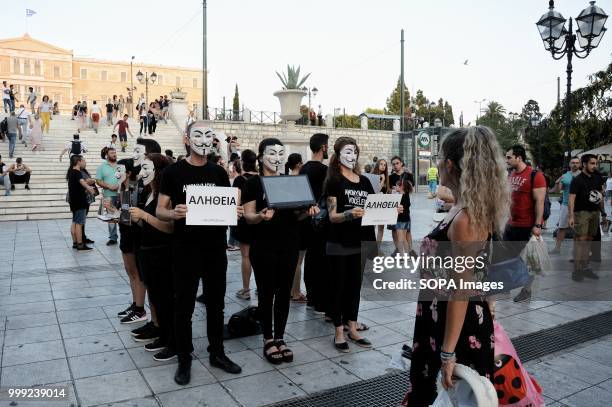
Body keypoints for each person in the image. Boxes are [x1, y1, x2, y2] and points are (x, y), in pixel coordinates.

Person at [402, 126, 508, 406]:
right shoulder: (462, 208)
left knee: (453, 396)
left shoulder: (465, 219)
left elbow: (462, 289)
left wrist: (448, 354)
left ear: (449, 164)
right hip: (441, 316)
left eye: (439, 158)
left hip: (455, 326)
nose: (437, 163)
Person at [156, 122, 243, 384]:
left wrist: (234, 212)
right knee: (183, 305)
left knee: (217, 303)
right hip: (185, 248)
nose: (204, 140)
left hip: (215, 248)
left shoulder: (218, 172)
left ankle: (217, 352)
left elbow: (225, 207)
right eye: (198, 135)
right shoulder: (172, 172)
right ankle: (184, 357)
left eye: (209, 135)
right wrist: (173, 213)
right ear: (187, 138)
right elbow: (160, 209)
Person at [243, 138, 318, 364]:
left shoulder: (290, 182)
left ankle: (280, 337)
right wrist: (261, 216)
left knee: (284, 292)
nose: (276, 158)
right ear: (260, 157)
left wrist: (310, 212)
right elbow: (248, 216)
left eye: (280, 154)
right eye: (272, 153)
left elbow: (298, 215)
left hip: (289, 244)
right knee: (266, 292)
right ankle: (267, 338)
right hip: (263, 246)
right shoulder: (253, 184)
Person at [325, 137, 400, 352]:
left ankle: (352, 326)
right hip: (339, 242)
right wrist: (349, 214)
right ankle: (339, 330)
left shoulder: (365, 181)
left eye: (355, 152)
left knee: (354, 287)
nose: (352, 156)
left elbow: (375, 209)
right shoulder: (334, 181)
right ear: (338, 155)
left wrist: (391, 210)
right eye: (347, 152)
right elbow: (332, 216)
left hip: (361, 242)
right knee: (338, 287)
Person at [129, 153, 177, 361]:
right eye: (141, 168)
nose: (142, 173)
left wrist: (144, 216)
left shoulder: (165, 196)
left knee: (165, 299)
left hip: (162, 253)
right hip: (146, 250)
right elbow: (147, 225)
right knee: (156, 297)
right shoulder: (149, 193)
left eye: (147, 168)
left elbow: (169, 227)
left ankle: (172, 341)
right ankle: (162, 333)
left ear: (159, 171)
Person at [504, 145, 546, 303]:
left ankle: (526, 290)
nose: (506, 160)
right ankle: (506, 285)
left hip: (527, 226)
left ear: (519, 158)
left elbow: (540, 202)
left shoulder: (535, 175)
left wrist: (538, 225)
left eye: (509, 157)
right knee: (506, 257)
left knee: (531, 260)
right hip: (511, 225)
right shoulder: (511, 174)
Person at [299, 133, 330, 313]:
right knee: (321, 261)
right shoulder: (324, 171)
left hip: (305, 219)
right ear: (323, 147)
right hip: (321, 221)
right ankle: (320, 301)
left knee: (310, 260)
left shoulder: (303, 168)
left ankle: (311, 298)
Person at [568, 154, 607, 281]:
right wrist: (570, 216)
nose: (594, 166)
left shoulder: (597, 178)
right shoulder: (577, 180)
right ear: (584, 164)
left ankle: (585, 268)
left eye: (596, 163)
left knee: (588, 242)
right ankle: (577, 271)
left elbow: (601, 196)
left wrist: (603, 213)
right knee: (580, 242)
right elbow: (571, 198)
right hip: (581, 213)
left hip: (594, 213)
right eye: (592, 163)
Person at [233, 149, 258, 300]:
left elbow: (236, 202)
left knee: (246, 256)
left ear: (242, 161)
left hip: (244, 220)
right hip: (259, 219)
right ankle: (261, 286)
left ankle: (246, 289)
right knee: (260, 255)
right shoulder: (262, 178)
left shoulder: (240, 180)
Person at [550, 157, 581, 254]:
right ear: (570, 164)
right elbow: (557, 191)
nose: (575, 164)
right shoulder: (564, 176)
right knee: (562, 227)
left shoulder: (583, 175)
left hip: (580, 206)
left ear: (580, 164)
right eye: (573, 163)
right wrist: (557, 182)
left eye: (577, 163)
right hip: (566, 205)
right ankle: (557, 248)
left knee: (580, 229)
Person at [67, 155, 94, 251]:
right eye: (83, 160)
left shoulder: (70, 172)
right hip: (80, 201)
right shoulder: (77, 172)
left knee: (74, 221)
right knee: (79, 223)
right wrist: (90, 189)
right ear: (78, 162)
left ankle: (75, 242)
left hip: (73, 201)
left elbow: (76, 187)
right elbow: (83, 183)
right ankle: (80, 244)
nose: (84, 162)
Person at [96, 147, 120, 245]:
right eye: (112, 153)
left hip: (121, 194)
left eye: (115, 152)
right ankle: (113, 238)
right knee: (111, 216)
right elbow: (98, 180)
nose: (114, 154)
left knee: (124, 214)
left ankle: (126, 234)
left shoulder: (121, 165)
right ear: (107, 155)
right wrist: (109, 186)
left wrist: (118, 185)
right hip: (108, 194)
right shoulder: (102, 167)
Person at [372, 159, 390, 250]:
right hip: (374, 204)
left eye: (385, 165)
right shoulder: (373, 176)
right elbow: (376, 190)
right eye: (381, 164)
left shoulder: (386, 177)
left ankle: (377, 249)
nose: (383, 166)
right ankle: (372, 249)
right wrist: (382, 179)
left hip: (382, 204)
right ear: (377, 165)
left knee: (381, 228)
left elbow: (387, 191)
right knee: (372, 227)